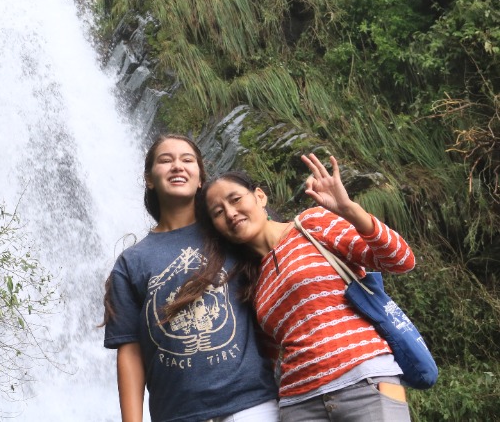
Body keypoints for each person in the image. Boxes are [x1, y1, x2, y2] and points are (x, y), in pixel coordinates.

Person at [172, 152, 415, 421]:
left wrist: (349, 209)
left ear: (260, 196)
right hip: (299, 404)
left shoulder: (311, 225)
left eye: (236, 199)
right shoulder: (248, 280)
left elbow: (400, 260)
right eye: (218, 212)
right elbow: (266, 356)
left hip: (364, 382)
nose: (230, 213)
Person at [103, 134, 279, 422]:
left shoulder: (230, 231)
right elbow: (130, 351)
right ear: (149, 179)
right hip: (178, 414)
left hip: (252, 405)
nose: (177, 166)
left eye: (187, 160)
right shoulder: (131, 262)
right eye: (165, 160)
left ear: (200, 179)